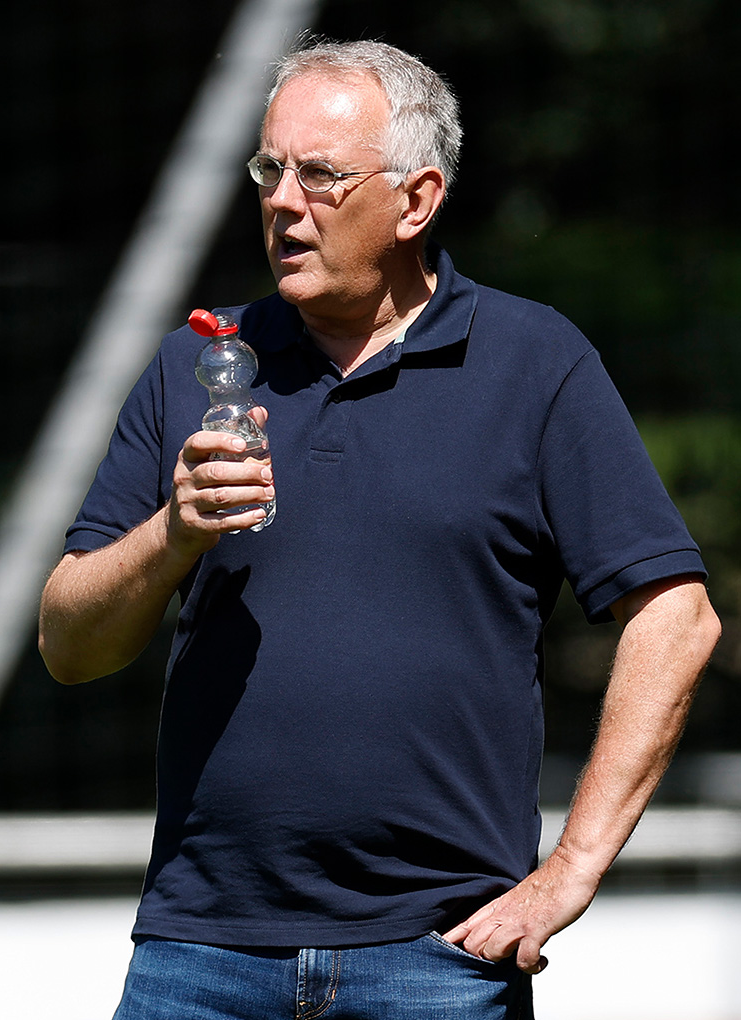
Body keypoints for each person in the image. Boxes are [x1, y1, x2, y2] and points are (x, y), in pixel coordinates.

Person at [39, 38, 720, 1020]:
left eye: (320, 175)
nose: (283, 201)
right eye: (269, 170)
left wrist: (572, 868)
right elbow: (69, 646)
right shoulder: (199, 362)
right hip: (201, 953)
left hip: (438, 960)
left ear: (416, 201)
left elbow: (676, 619)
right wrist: (172, 535)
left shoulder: (534, 362)